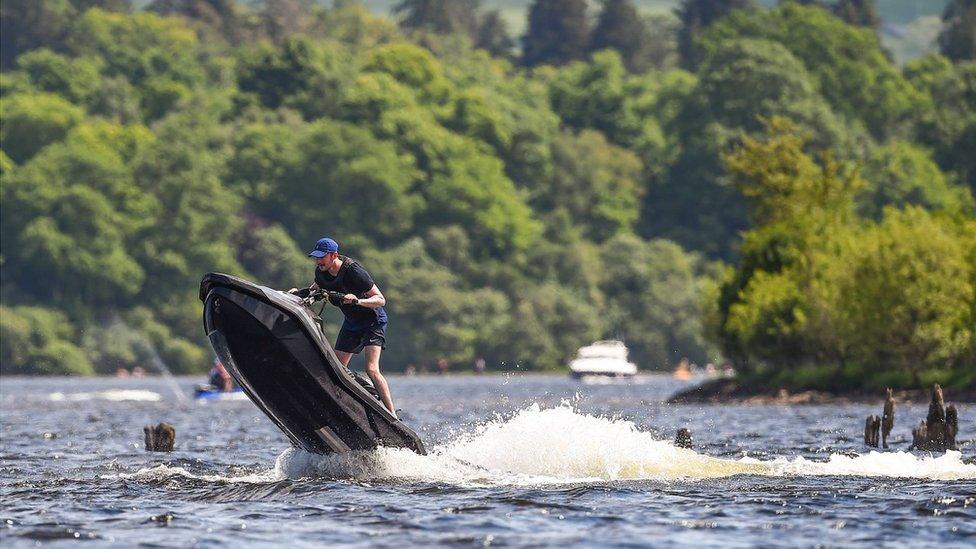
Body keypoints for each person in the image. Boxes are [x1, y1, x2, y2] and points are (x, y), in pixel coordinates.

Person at [298, 237, 397, 418]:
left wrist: (357, 301)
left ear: (334, 255)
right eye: (316, 257)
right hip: (352, 324)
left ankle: (392, 415)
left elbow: (381, 300)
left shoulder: (354, 271)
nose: (318, 261)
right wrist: (297, 294)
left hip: (373, 322)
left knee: (372, 369)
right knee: (337, 370)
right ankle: (355, 403)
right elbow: (313, 292)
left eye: (322, 257)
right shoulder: (321, 273)